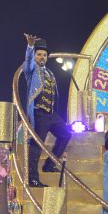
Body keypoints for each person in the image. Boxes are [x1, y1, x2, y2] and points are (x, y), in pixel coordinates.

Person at [22, 34, 72, 188]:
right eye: (39, 54)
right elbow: (28, 63)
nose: (42, 57)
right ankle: (32, 178)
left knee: (66, 134)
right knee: (37, 144)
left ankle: (50, 164)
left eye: (44, 55)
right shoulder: (32, 71)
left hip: (51, 114)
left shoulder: (50, 73)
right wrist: (30, 47)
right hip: (39, 113)